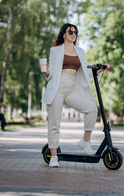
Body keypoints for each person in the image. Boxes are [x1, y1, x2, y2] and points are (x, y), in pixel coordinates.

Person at [40, 23, 110, 167]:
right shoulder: (55, 50)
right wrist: (46, 71)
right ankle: (53, 157)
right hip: (58, 88)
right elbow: (51, 71)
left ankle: (85, 142)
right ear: (64, 34)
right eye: (70, 31)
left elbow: (86, 73)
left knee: (92, 109)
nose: (73, 34)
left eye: (75, 32)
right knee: (54, 123)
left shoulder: (80, 51)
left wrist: (100, 69)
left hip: (72, 88)